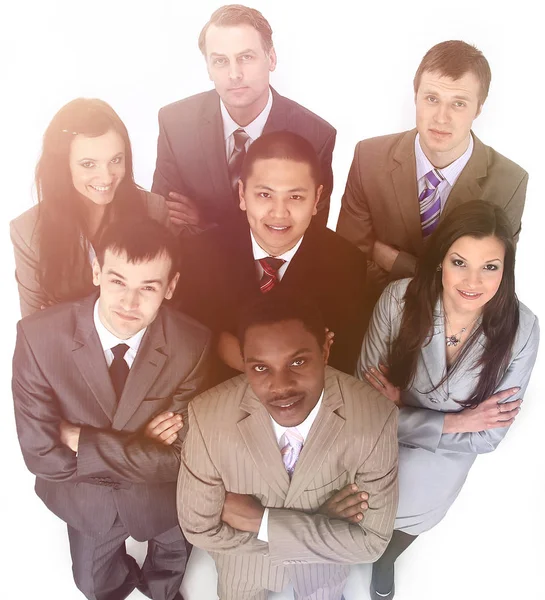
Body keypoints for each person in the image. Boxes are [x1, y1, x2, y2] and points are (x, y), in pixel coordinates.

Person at [12, 218, 211, 600]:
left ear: (170, 287)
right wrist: (142, 444)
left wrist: (82, 441)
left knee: (172, 563)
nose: (129, 303)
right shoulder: (38, 338)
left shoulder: (193, 344)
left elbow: (182, 459)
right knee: (92, 583)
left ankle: (163, 591)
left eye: (148, 287)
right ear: (96, 271)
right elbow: (41, 457)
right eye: (117, 281)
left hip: (161, 496)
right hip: (86, 498)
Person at [357, 200, 539, 599]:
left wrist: (400, 408)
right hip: (376, 442)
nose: (473, 281)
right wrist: (456, 421)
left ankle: (384, 560)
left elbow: (488, 437)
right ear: (441, 260)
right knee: (354, 503)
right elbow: (363, 403)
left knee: (409, 518)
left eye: (490, 266)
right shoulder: (398, 299)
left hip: (443, 459)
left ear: (505, 270)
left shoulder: (523, 329)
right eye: (460, 262)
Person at [178, 293, 398, 600]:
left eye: (297, 362)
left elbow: (371, 543)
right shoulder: (207, 416)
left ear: (325, 349)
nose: (281, 387)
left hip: (323, 571)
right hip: (246, 568)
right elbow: (199, 529)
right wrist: (319, 521)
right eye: (260, 368)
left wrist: (262, 522)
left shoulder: (375, 417)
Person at [337, 40, 528, 301]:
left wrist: (396, 262)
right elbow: (347, 263)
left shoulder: (509, 182)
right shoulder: (368, 158)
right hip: (373, 307)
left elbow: (488, 283)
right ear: (415, 96)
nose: (441, 117)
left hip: (456, 323)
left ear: (479, 108)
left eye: (458, 103)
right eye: (431, 98)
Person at [176, 131, 368, 382]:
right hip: (215, 396)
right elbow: (190, 347)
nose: (279, 214)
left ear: (316, 199)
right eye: (265, 195)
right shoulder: (201, 253)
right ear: (243, 195)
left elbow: (338, 364)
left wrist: (232, 348)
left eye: (296, 197)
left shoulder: (346, 264)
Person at [152, 4, 336, 233]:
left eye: (246, 57)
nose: (234, 74)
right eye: (220, 61)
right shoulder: (176, 123)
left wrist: (204, 223)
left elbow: (305, 236)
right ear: (208, 68)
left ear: (271, 58)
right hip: (196, 266)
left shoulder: (315, 136)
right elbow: (165, 223)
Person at [10, 97, 171, 318]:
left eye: (116, 160)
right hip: (65, 353)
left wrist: (63, 314)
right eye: (88, 164)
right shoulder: (27, 230)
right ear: (62, 166)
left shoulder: (153, 209)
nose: (106, 177)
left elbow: (165, 303)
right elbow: (33, 329)